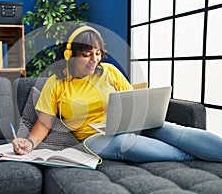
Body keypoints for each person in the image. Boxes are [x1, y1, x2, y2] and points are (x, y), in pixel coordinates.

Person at [12, 25, 222, 163]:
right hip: (93, 137)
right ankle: (191, 158)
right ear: (69, 55)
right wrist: (29, 143)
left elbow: (132, 100)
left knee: (176, 132)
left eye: (98, 53)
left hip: (128, 124)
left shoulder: (110, 72)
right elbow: (44, 124)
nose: (94, 60)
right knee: (125, 143)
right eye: (86, 55)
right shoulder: (55, 83)